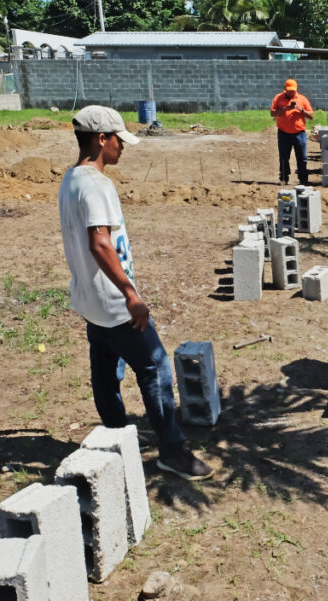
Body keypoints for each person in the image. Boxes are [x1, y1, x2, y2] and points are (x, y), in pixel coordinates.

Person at [58, 105, 213, 481]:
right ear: (101, 139)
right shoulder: (97, 185)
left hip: (90, 299)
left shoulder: (71, 179)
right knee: (154, 367)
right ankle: (172, 452)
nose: (122, 147)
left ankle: (116, 440)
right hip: (114, 301)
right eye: (118, 140)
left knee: (105, 370)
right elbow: (100, 243)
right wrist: (130, 294)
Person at [270, 78, 313, 185]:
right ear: (285, 89)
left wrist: (301, 110)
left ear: (296, 89)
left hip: (299, 133)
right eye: (289, 91)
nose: (291, 93)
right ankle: (284, 178)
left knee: (302, 157)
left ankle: (303, 179)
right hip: (283, 133)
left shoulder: (302, 99)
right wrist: (285, 109)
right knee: (284, 157)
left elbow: (310, 115)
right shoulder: (278, 98)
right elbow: (272, 113)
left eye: (293, 91)